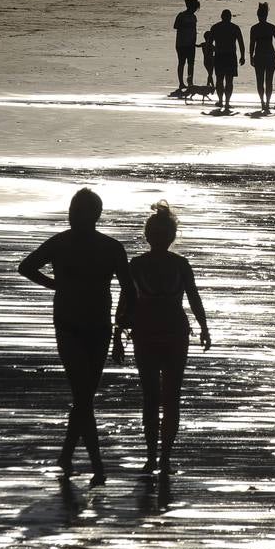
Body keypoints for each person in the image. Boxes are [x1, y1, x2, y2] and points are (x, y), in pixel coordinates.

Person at [18, 187, 136, 485]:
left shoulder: (103, 247)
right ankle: (96, 465)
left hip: (95, 327)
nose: (73, 217)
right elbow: (26, 267)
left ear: (93, 216)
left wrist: (121, 327)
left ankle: (68, 456)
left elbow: (129, 289)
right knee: (83, 396)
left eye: (77, 212)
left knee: (83, 396)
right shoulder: (96, 246)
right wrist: (56, 286)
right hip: (73, 326)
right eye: (72, 211)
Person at [113, 202, 209, 475]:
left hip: (145, 333)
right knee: (171, 398)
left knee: (150, 397)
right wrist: (204, 328)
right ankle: (165, 459)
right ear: (171, 236)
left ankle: (151, 457)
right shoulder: (180, 265)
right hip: (175, 334)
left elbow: (125, 303)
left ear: (148, 235)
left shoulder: (137, 265)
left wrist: (117, 336)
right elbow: (194, 298)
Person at [249, 2, 275, 114]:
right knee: (269, 81)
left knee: (260, 81)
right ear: (266, 15)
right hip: (270, 56)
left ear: (258, 15)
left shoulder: (254, 28)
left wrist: (250, 57)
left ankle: (263, 102)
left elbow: (252, 44)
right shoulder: (271, 27)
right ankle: (267, 103)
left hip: (259, 56)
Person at [209, 8, 245, 113]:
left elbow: (209, 43)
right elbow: (241, 43)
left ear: (221, 17)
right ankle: (227, 102)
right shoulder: (235, 28)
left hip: (219, 55)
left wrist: (209, 54)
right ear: (230, 17)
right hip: (230, 56)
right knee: (229, 81)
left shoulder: (215, 27)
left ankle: (220, 101)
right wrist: (242, 56)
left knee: (219, 79)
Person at [173, 0, 199, 92]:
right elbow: (175, 26)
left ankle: (190, 83)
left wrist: (194, 40)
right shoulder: (181, 15)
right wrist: (185, 25)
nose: (195, 10)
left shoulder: (194, 17)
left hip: (191, 43)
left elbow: (194, 30)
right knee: (182, 63)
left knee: (191, 64)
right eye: (195, 8)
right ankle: (181, 82)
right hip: (181, 43)